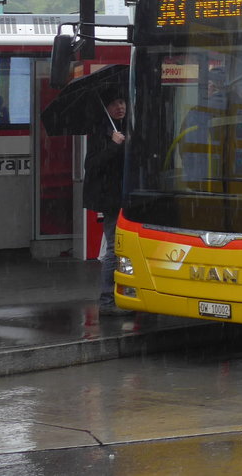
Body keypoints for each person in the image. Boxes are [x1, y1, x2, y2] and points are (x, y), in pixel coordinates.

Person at [83, 90, 132, 316]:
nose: (120, 107)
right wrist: (113, 145)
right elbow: (91, 166)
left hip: (128, 197)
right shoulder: (101, 132)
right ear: (106, 108)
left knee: (127, 248)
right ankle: (107, 299)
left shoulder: (129, 127)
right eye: (114, 103)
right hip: (112, 199)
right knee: (114, 247)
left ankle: (126, 294)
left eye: (122, 102)